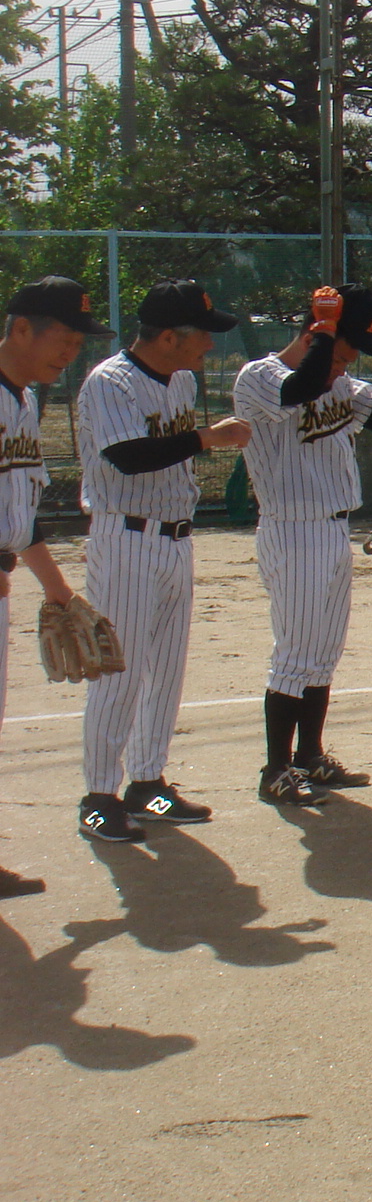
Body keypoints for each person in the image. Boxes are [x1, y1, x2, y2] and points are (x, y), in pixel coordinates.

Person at [75, 279, 251, 843]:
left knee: (166, 673)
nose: (211, 345)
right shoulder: (110, 382)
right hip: (124, 539)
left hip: (175, 539)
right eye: (203, 335)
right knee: (119, 672)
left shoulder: (179, 380)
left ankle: (147, 784)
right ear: (170, 336)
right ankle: (98, 800)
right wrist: (206, 438)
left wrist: (200, 439)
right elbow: (128, 457)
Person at [232, 283, 372, 806]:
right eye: (340, 355)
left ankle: (310, 756)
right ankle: (275, 770)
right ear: (314, 337)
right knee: (295, 653)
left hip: (332, 529)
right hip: (292, 529)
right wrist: (325, 335)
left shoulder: (338, 383)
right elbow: (298, 389)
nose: (344, 367)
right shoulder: (259, 377)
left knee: (323, 654)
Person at [1, 277, 110, 889]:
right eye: (63, 339)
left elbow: (20, 515)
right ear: (21, 329)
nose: (71, 352)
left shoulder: (21, 400)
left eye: (77, 343)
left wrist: (58, 590)